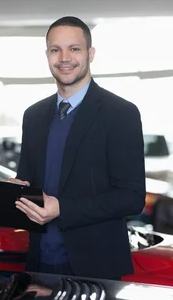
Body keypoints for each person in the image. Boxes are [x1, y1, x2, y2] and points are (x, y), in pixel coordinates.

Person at [11, 16, 146, 280]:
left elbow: (132, 197)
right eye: (55, 49)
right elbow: (29, 184)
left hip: (96, 270)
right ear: (47, 55)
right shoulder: (34, 115)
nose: (64, 57)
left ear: (90, 54)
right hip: (40, 265)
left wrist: (62, 209)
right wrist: (14, 192)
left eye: (74, 49)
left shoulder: (120, 113)